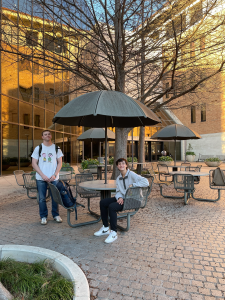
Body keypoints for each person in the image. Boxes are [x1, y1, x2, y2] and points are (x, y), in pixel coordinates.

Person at [94, 158, 149, 243]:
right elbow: (118, 191)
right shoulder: (118, 178)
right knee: (103, 202)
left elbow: (146, 182)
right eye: (119, 164)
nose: (121, 165)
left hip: (134, 199)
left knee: (112, 207)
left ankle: (114, 233)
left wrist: (133, 185)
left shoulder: (132, 174)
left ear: (126, 165)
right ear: (117, 166)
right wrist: (119, 198)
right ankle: (105, 228)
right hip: (124, 198)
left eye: (123, 164)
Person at [31, 130, 63, 225]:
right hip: (41, 178)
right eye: (45, 134)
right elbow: (34, 163)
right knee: (41, 198)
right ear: (42, 137)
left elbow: (60, 162)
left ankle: (56, 215)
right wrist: (43, 175)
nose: (47, 135)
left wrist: (54, 174)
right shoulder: (38, 148)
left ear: (51, 136)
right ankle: (43, 217)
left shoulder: (57, 148)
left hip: (54, 178)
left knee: (55, 197)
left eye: (49, 134)